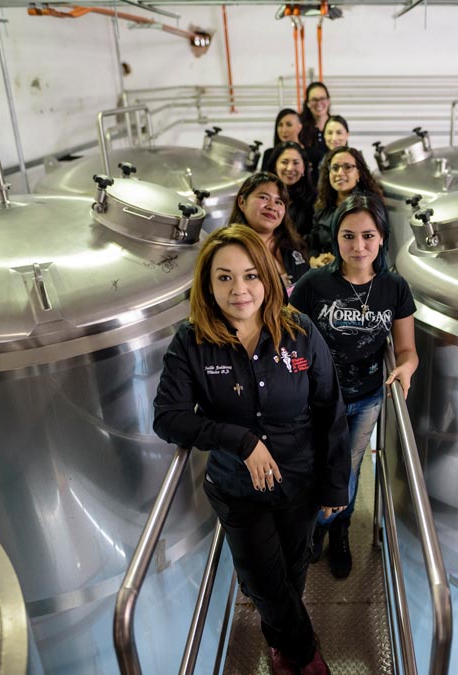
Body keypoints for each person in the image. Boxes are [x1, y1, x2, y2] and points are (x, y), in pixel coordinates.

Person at [153, 224, 350, 675]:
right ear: (207, 284)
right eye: (224, 277)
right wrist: (240, 440)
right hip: (237, 487)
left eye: (250, 276)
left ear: (267, 277)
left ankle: (281, 645)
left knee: (291, 574)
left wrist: (335, 484)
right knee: (264, 581)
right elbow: (167, 417)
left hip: (299, 479)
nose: (239, 289)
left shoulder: (299, 332)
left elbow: (330, 410)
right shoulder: (192, 341)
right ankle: (304, 655)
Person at [290, 195, 418, 579]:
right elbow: (289, 340)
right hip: (316, 400)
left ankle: (336, 532)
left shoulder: (394, 288)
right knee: (314, 465)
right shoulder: (313, 285)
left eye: (368, 235)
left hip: (366, 398)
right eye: (348, 236)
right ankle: (315, 526)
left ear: (381, 238)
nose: (358, 246)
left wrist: (407, 368)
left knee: (348, 469)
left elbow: (408, 349)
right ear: (335, 239)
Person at [229, 172, 310, 295]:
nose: (272, 207)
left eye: (279, 202)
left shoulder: (292, 246)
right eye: (264, 197)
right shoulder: (230, 250)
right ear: (242, 202)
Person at [307, 146, 384, 268]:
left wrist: (339, 261)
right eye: (335, 168)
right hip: (324, 271)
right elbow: (314, 243)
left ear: (359, 173)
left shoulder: (370, 206)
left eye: (347, 167)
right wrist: (313, 260)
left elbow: (378, 250)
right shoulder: (323, 205)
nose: (340, 173)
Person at [269, 141, 317, 241]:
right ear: (275, 166)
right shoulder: (263, 196)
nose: (290, 168)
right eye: (284, 162)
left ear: (303, 167)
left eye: (296, 163)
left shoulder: (315, 199)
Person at [298, 82, 331, 185]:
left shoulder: (337, 125)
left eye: (322, 98)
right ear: (307, 103)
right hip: (307, 185)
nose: (319, 103)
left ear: (328, 101)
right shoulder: (300, 127)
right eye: (314, 100)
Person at [261, 108, 303, 172]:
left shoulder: (313, 154)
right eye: (280, 125)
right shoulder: (269, 154)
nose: (284, 130)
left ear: (299, 127)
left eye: (289, 125)